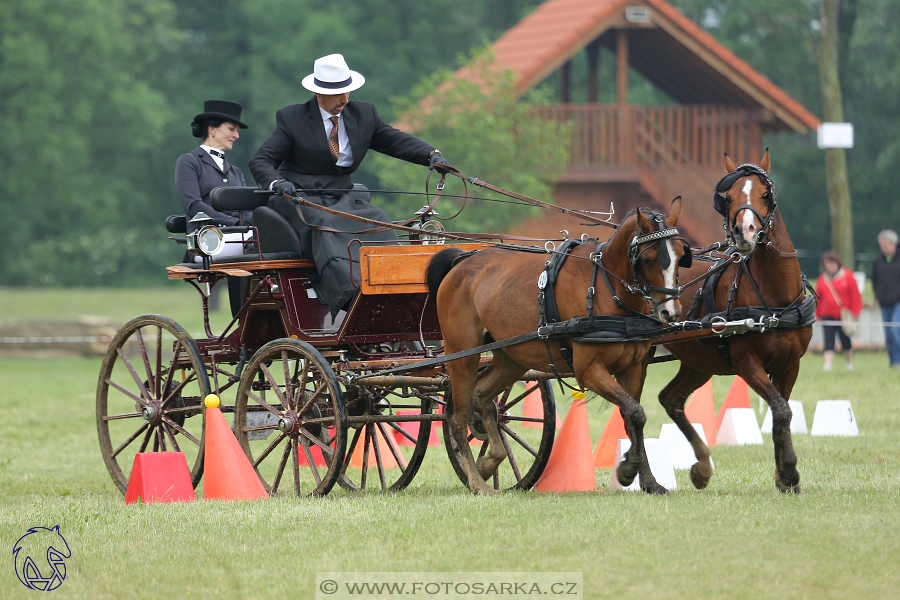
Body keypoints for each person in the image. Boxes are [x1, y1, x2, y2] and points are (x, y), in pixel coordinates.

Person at [249, 53, 450, 315]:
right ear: (319, 93)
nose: (345, 99)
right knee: (325, 224)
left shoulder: (363, 114)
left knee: (379, 219)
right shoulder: (292, 119)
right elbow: (261, 161)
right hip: (297, 199)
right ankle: (350, 297)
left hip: (342, 197)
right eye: (338, 94)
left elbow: (394, 140)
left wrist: (430, 155)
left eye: (347, 91)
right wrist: (277, 182)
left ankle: (398, 287)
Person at [175, 100, 252, 236]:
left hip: (240, 237)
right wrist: (233, 223)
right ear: (212, 129)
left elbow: (245, 208)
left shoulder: (236, 172)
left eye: (237, 131)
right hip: (207, 239)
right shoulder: (189, 161)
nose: (237, 135)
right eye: (231, 129)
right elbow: (193, 205)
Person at [815, 251, 862, 371]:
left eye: (831, 263)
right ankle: (828, 364)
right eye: (827, 264)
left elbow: (855, 295)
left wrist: (855, 311)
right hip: (827, 315)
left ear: (837, 263)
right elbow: (818, 298)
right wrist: (817, 314)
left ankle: (849, 363)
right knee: (828, 340)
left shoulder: (848, 276)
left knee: (845, 339)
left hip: (844, 315)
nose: (829, 266)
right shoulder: (822, 279)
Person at [872, 229, 900, 367]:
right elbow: (874, 280)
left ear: (893, 244)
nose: (883, 248)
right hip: (884, 303)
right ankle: (893, 362)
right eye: (881, 245)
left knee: (896, 329)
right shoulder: (878, 261)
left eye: (885, 245)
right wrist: (878, 295)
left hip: (898, 303)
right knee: (888, 334)